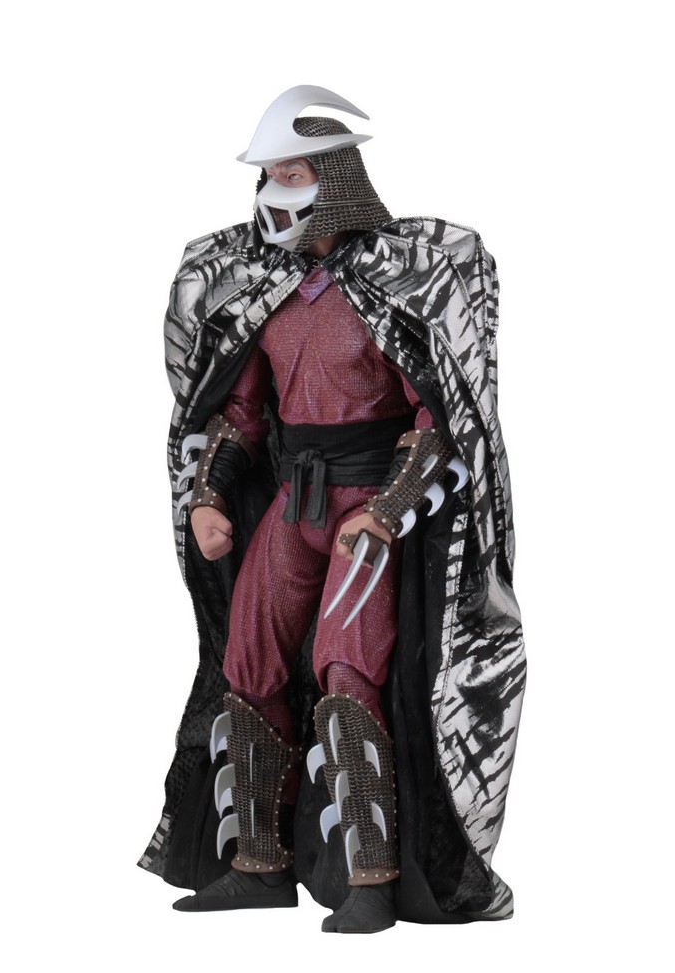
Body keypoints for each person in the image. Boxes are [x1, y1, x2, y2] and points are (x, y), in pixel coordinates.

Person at [139, 86, 526, 935]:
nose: (273, 191)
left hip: (367, 506)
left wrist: (388, 511)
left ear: (337, 179)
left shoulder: (397, 285)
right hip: (293, 502)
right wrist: (210, 496)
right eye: (268, 175)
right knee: (249, 664)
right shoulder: (263, 290)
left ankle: (373, 881)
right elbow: (239, 410)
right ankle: (257, 866)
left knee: (348, 673)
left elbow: (438, 413)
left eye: (292, 173)